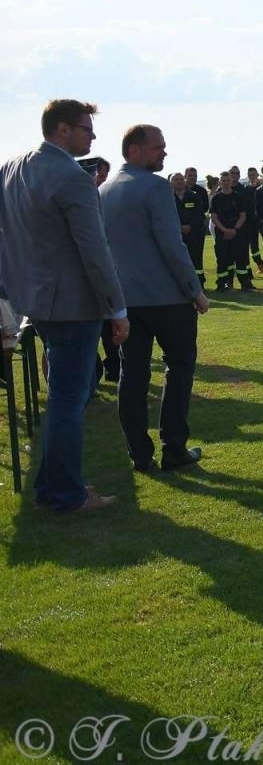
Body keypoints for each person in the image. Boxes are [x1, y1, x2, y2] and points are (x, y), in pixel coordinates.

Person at [0, 99, 127, 513]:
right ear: (61, 129)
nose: (93, 136)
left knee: (63, 397)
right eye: (86, 127)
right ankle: (66, 494)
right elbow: (95, 248)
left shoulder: (13, 166)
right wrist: (117, 308)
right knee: (69, 399)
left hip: (33, 299)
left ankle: (54, 486)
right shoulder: (72, 176)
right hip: (72, 303)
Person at [98, 124, 209, 474]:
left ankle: (139, 454)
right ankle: (173, 447)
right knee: (179, 369)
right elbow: (171, 245)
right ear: (134, 150)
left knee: (132, 375)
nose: (164, 153)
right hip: (167, 299)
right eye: (157, 147)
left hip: (127, 300)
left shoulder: (104, 189)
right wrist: (195, 289)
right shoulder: (155, 187)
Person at [209, 169, 252, 291]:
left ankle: (244, 283)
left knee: (240, 259)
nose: (226, 182)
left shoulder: (238, 197)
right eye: (223, 180)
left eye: (228, 180)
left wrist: (234, 230)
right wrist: (224, 230)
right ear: (220, 182)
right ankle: (223, 283)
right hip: (222, 233)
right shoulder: (216, 198)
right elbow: (214, 216)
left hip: (237, 233)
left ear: (231, 181)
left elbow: (243, 215)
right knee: (222, 259)